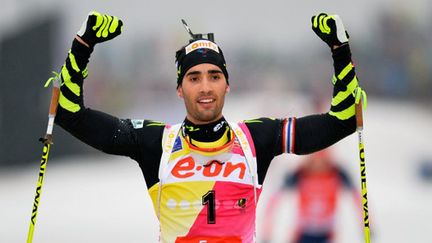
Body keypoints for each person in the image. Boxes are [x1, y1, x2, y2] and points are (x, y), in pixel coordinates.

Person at [53, 11, 365, 243]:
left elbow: (342, 120)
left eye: (214, 76)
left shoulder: (255, 139)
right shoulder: (155, 142)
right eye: (194, 77)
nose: (205, 87)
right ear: (179, 88)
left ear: (227, 85)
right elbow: (70, 115)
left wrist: (341, 51)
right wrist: (83, 44)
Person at [261, 149, 362, 243]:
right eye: (316, 160)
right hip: (303, 231)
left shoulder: (338, 173)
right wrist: (267, 230)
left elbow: (357, 196)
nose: (319, 165)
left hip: (326, 232)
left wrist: (367, 223)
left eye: (322, 160)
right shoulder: (299, 173)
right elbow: (275, 199)